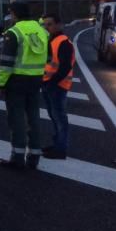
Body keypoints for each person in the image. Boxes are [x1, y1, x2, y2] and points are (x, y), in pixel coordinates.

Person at [0, 2, 49, 169]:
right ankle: (34, 156)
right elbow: (47, 58)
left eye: (11, 13)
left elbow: (6, 63)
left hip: (17, 81)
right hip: (36, 80)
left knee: (17, 119)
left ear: (15, 14)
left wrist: (0, 83)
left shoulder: (14, 32)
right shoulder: (42, 31)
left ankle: (17, 157)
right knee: (34, 118)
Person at [41, 14, 75, 159]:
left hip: (57, 85)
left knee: (59, 118)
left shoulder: (63, 42)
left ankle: (60, 149)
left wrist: (52, 81)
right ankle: (57, 145)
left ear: (59, 24)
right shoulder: (52, 39)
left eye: (50, 24)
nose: (47, 27)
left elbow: (65, 66)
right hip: (49, 83)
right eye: (45, 24)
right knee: (55, 116)